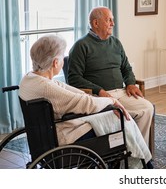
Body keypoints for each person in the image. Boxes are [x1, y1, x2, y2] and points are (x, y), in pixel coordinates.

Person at [19, 35, 152, 168]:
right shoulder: (47, 88)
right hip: (64, 136)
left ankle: (135, 159)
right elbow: (83, 103)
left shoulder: (29, 79)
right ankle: (140, 163)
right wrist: (110, 101)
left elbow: (67, 90)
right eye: (62, 58)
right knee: (119, 119)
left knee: (110, 115)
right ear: (55, 62)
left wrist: (101, 99)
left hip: (43, 137)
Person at [67, 6, 154, 146]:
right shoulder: (81, 46)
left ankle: (137, 154)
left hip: (121, 92)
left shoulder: (115, 43)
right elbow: (74, 78)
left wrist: (131, 83)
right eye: (109, 20)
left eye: (112, 20)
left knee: (146, 108)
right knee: (117, 116)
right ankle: (123, 152)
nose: (113, 24)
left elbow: (126, 67)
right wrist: (99, 91)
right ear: (96, 23)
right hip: (98, 97)